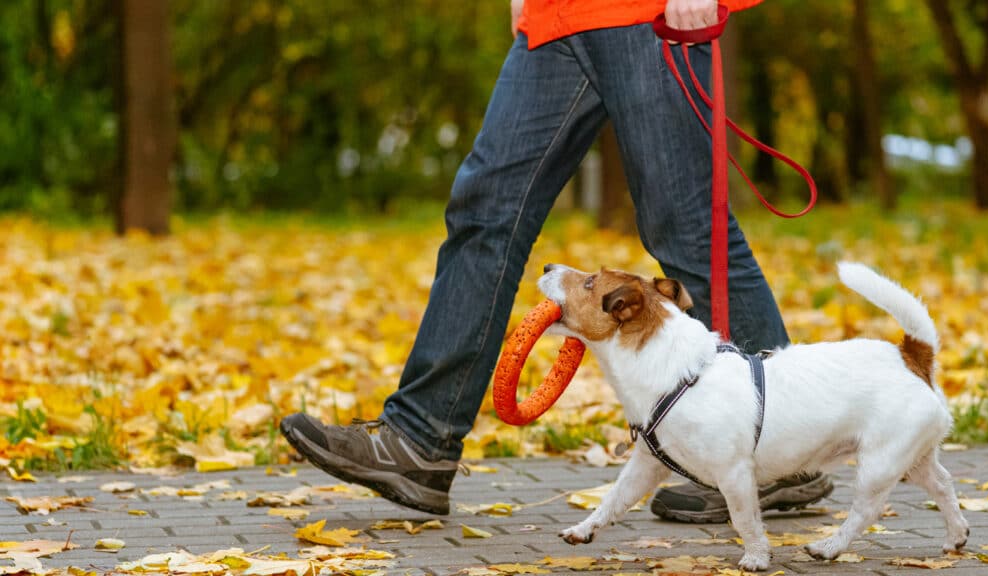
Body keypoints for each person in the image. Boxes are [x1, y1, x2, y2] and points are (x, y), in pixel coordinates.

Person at [280, 0, 833, 522]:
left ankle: (780, 449)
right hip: (556, 19)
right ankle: (420, 438)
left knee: (684, 228)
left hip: (646, 16)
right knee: (485, 209)